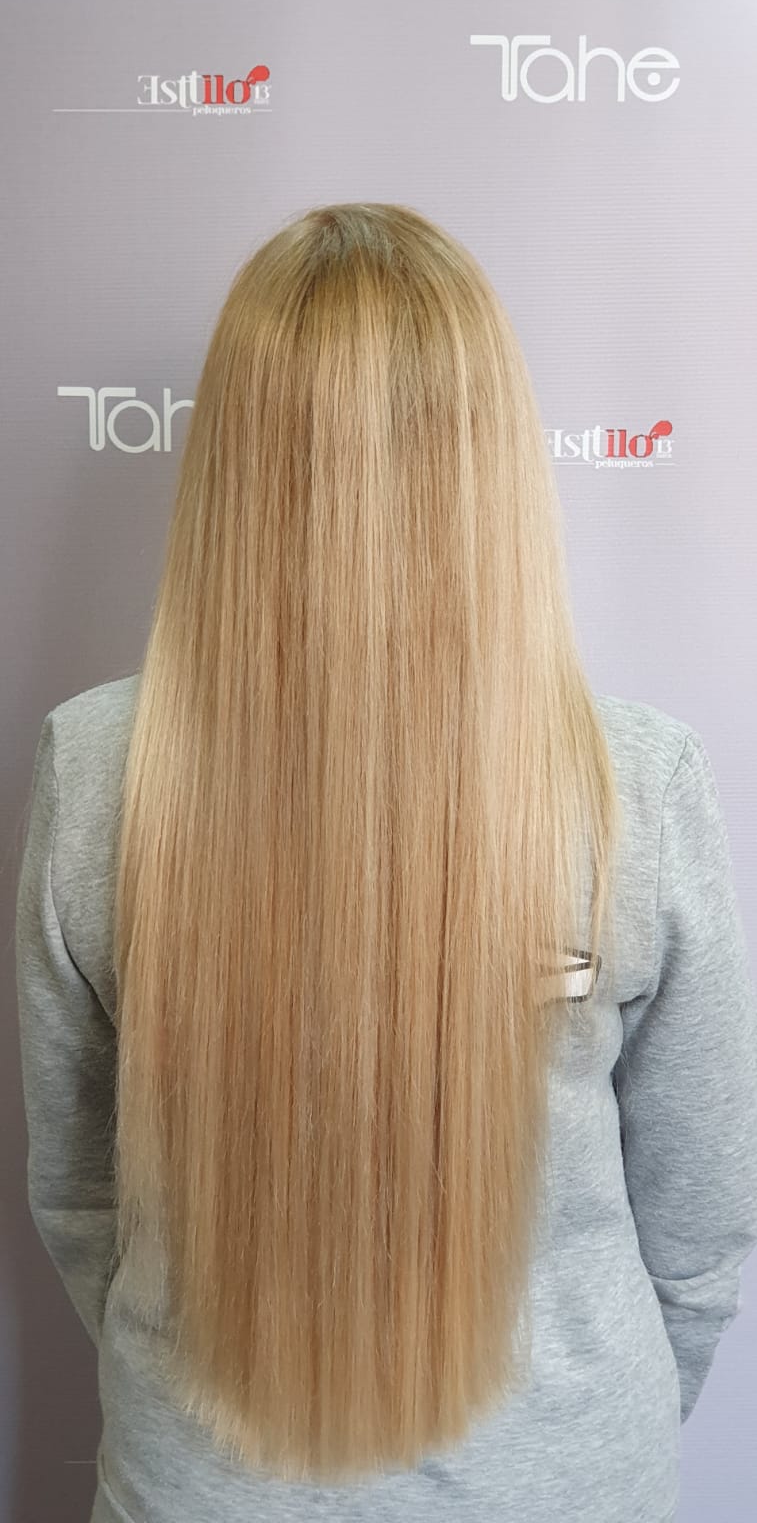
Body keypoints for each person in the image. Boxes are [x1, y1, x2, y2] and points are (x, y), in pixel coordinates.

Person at [15, 202, 757, 1523]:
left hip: (205, 1484)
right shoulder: (632, 782)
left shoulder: (96, 766)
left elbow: (79, 1205)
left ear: (234, 456)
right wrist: (579, 1433)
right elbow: (699, 1225)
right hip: (563, 1483)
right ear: (493, 456)